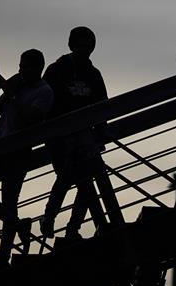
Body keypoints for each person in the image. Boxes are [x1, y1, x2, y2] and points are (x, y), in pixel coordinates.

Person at [0, 49, 53, 270]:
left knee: (9, 202)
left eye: (26, 66)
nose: (21, 70)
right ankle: (17, 225)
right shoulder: (17, 83)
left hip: (17, 153)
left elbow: (30, 120)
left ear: (38, 68)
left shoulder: (44, 92)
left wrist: (9, 91)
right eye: (20, 65)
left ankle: (3, 257)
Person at [40, 27, 118, 243]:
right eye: (81, 45)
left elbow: (102, 105)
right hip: (62, 139)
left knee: (83, 184)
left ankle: (66, 226)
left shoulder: (93, 74)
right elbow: (47, 103)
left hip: (85, 139)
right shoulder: (57, 70)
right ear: (72, 45)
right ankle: (55, 221)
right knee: (70, 180)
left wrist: (100, 131)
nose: (84, 49)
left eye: (88, 45)